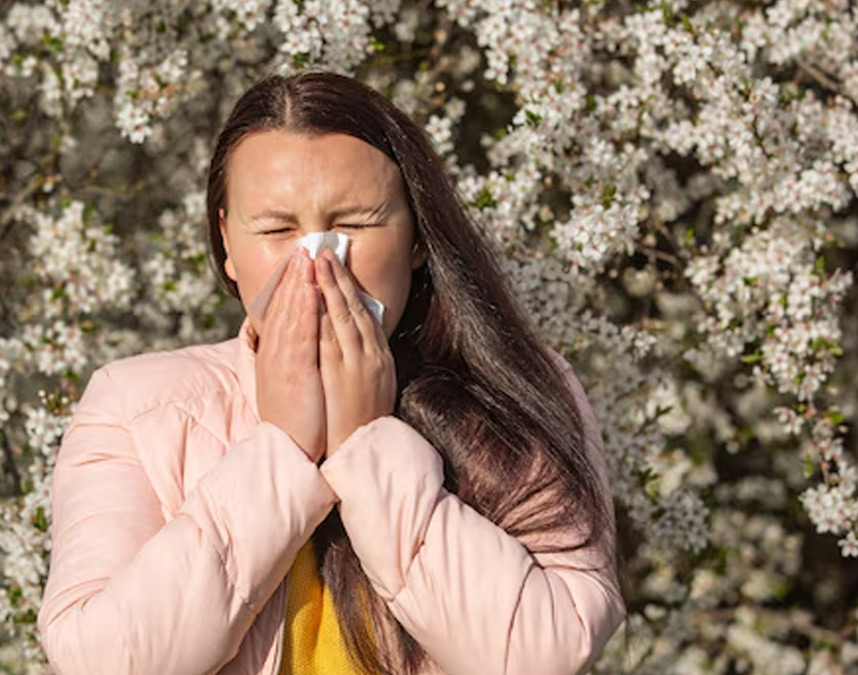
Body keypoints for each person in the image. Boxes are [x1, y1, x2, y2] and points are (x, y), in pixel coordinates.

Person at [36, 70, 625, 675]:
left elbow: (544, 653)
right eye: (276, 230)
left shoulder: (514, 392)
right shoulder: (137, 409)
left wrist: (365, 444)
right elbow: (102, 661)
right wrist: (283, 449)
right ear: (227, 244)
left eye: (354, 224)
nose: (317, 261)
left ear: (416, 237)